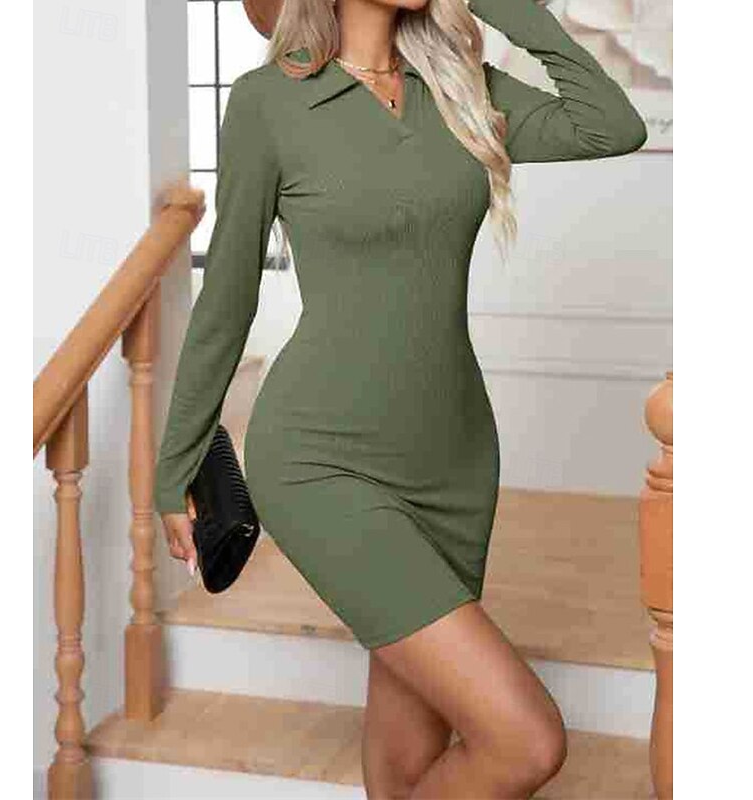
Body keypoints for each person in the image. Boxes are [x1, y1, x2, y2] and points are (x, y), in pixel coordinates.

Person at [155, 0, 647, 796]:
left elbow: (611, 125)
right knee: (526, 741)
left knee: (410, 766)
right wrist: (174, 463)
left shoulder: (459, 89)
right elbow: (227, 299)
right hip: (322, 462)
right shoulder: (268, 102)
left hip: (454, 463)